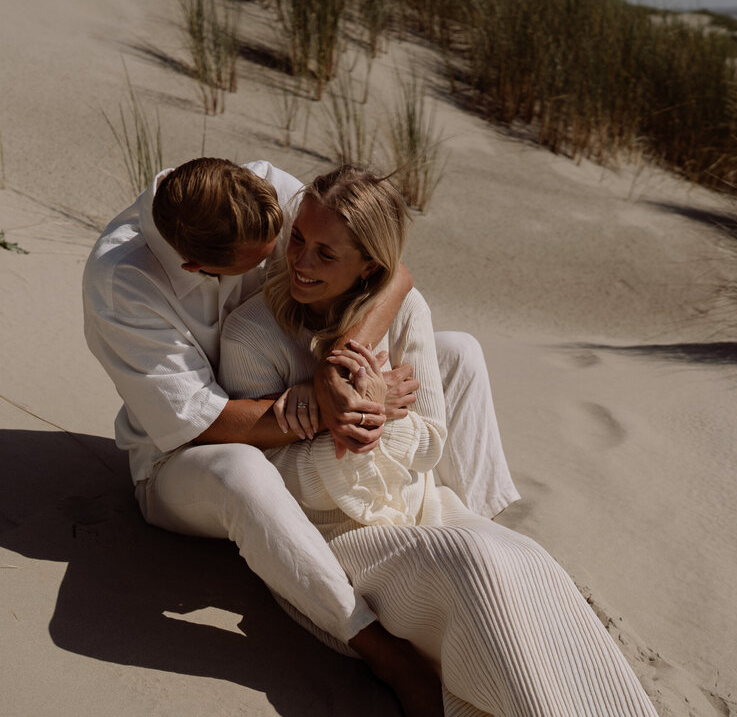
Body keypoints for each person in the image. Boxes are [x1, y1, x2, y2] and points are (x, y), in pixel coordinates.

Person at [218, 165, 660, 717]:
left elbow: (428, 444)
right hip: (334, 542)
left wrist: (375, 417)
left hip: (426, 508)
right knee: (477, 565)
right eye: (299, 240)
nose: (300, 263)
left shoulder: (405, 310)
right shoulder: (250, 336)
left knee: (527, 562)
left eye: (326, 254)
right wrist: (352, 426)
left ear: (369, 268)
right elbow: (270, 484)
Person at [82, 158, 520, 710]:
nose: (289, 265)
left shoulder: (258, 189)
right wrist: (329, 406)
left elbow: (393, 273)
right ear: (197, 267)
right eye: (267, 261)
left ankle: (481, 532)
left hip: (290, 385)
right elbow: (205, 425)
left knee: (458, 352)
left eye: (284, 241)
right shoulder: (123, 285)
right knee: (239, 472)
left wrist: (338, 365)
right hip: (186, 462)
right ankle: (378, 649)